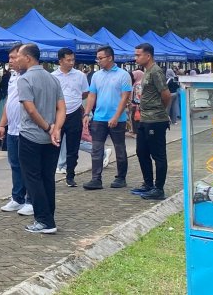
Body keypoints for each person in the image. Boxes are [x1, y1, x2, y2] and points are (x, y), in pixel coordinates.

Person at [16, 43, 66, 234]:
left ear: (28, 58)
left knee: (33, 179)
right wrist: (56, 129)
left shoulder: (25, 79)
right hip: (51, 139)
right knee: (47, 178)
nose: (16, 60)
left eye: (19, 56)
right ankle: (48, 217)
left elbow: (30, 109)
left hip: (31, 136)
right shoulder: (52, 79)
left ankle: (43, 221)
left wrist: (48, 128)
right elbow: (62, 108)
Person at [82, 45, 132, 190]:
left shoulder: (123, 75)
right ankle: (96, 179)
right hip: (99, 118)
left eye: (101, 58)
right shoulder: (96, 75)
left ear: (110, 58)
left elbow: (125, 98)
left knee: (120, 149)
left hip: (118, 119)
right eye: (97, 58)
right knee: (96, 149)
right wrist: (87, 113)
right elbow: (92, 95)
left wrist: (116, 116)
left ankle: (121, 177)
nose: (98, 61)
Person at [0, 44, 34, 216]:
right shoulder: (12, 76)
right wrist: (2, 124)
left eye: (14, 57)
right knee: (15, 165)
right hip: (12, 129)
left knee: (28, 166)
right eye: (10, 58)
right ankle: (17, 197)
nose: (11, 61)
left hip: (26, 129)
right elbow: (9, 102)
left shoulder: (30, 77)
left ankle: (30, 199)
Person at [132, 43, 171, 200]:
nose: (136, 58)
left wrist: (159, 110)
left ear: (148, 56)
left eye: (138, 55)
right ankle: (148, 184)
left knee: (158, 155)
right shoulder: (146, 71)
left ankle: (158, 188)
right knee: (141, 151)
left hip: (155, 119)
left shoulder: (156, 71)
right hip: (144, 118)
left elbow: (166, 95)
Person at [52, 48, 89, 187]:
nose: (71, 62)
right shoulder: (53, 76)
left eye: (73, 60)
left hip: (74, 113)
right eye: (68, 60)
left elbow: (85, 93)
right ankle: (51, 174)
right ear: (60, 60)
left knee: (73, 147)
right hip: (57, 114)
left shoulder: (80, 75)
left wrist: (75, 100)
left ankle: (70, 175)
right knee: (54, 145)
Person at [130, 69, 144, 137]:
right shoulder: (140, 82)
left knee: (135, 118)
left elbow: (138, 95)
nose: (133, 77)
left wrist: (138, 105)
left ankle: (136, 132)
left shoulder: (138, 84)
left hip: (136, 105)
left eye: (134, 75)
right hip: (138, 104)